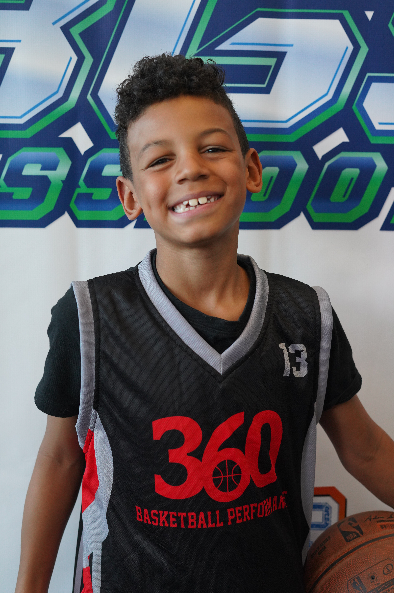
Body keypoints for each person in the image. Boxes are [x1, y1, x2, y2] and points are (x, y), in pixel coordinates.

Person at [15, 54, 394, 594]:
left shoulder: (306, 316)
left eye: (212, 148)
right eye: (159, 159)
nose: (190, 168)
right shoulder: (91, 316)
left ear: (251, 169)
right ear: (130, 196)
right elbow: (58, 461)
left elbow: (366, 449)